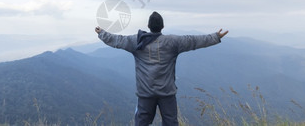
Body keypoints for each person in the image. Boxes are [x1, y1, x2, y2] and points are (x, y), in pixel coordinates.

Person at [95, 11, 229, 126]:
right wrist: (215, 37)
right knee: (171, 123)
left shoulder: (137, 42)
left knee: (141, 123)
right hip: (167, 94)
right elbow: (193, 41)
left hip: (145, 94)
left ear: (148, 26)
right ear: (163, 26)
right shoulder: (172, 42)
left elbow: (117, 40)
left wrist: (101, 33)